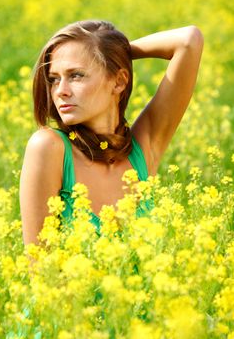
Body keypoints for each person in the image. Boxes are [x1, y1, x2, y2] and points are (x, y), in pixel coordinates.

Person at [20, 20, 204, 246]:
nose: (61, 91)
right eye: (54, 79)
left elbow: (188, 41)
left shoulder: (143, 150)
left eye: (76, 75)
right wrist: (103, 56)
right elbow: (39, 269)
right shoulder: (48, 147)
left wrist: (113, 52)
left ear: (118, 81)